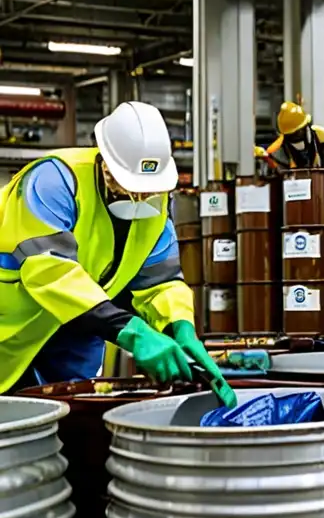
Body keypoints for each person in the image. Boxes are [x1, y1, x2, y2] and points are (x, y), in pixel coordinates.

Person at [0, 101, 237, 407]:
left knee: (72, 422)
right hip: (10, 327)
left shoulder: (156, 202)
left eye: (147, 190)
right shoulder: (53, 181)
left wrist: (179, 325)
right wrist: (134, 332)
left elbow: (160, 280)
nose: (140, 198)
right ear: (105, 163)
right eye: (130, 187)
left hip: (76, 330)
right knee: (14, 431)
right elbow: (47, 270)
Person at [266, 101, 324, 168]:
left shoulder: (320, 136)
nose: (295, 137)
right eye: (292, 135)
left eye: (299, 131)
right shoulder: (278, 151)